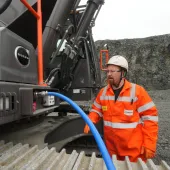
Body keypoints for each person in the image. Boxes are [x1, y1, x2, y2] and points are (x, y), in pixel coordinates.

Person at [84, 55, 158, 162]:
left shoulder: (137, 92)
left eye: (112, 71)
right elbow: (96, 110)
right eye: (107, 71)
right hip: (112, 150)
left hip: (133, 151)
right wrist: (90, 121)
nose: (109, 74)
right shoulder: (103, 93)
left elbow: (150, 119)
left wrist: (149, 144)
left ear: (123, 73)